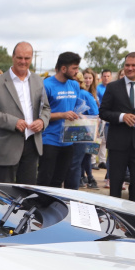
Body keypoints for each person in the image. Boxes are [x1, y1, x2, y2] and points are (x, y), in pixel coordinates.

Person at [0, 42, 50, 184]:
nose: (23, 62)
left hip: (32, 144)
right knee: (5, 193)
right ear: (13, 57)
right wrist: (14, 122)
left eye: (27, 58)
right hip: (8, 144)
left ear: (32, 59)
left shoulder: (38, 81)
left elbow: (46, 108)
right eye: (19, 57)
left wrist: (42, 121)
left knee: (27, 193)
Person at [99, 52, 135, 201]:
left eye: (133, 65)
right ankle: (114, 215)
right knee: (116, 181)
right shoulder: (113, 87)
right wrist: (121, 117)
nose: (130, 68)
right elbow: (103, 112)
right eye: (127, 65)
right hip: (118, 142)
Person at [38, 52, 82, 187]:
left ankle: (53, 207)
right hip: (50, 140)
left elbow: (76, 108)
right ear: (63, 69)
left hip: (68, 141)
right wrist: (62, 115)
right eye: (74, 68)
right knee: (45, 179)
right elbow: (38, 115)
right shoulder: (46, 85)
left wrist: (80, 116)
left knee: (59, 180)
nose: (77, 71)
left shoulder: (74, 85)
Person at [65, 72, 99, 190]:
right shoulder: (67, 93)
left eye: (76, 81)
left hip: (81, 130)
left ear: (80, 83)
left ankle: (78, 184)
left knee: (77, 161)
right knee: (72, 162)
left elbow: (95, 114)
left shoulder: (84, 94)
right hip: (66, 131)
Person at [78, 68, 100, 188]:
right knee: (85, 154)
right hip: (86, 126)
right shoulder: (84, 93)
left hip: (90, 125)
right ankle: (86, 177)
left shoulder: (92, 93)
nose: (87, 80)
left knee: (87, 153)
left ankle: (86, 176)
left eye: (89, 78)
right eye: (85, 78)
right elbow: (95, 112)